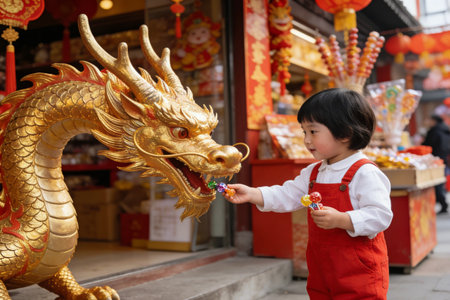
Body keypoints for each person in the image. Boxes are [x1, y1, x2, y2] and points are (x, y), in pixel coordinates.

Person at [224, 88, 393, 299]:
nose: (306, 139)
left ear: (346, 133)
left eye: (313, 131)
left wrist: (343, 219)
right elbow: (288, 194)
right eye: (304, 132)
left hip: (358, 269)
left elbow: (380, 215)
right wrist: (253, 194)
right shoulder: (313, 172)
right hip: (321, 266)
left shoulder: (365, 172)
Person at [422, 114, 450, 214]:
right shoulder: (445, 130)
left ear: (434, 121)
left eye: (429, 120)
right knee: (440, 182)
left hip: (434, 160)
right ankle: (443, 203)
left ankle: (443, 204)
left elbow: (428, 145)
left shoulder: (435, 132)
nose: (427, 122)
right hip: (443, 159)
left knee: (437, 183)